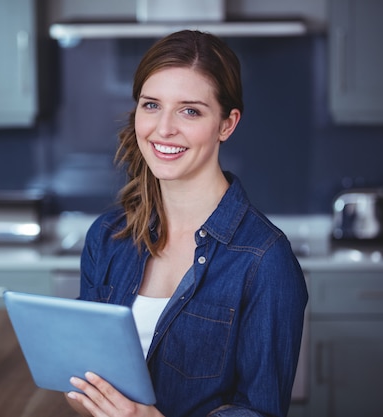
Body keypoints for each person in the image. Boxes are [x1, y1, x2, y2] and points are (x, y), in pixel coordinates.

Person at [64, 30, 308, 417]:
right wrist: (81, 391)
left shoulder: (265, 261)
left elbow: (260, 411)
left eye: (190, 110)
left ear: (227, 125)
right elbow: (84, 378)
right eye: (151, 105)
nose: (163, 129)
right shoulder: (107, 236)